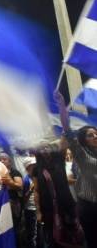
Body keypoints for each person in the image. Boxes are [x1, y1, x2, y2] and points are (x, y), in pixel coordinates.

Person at [55, 91, 97, 248]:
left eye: (96, 134)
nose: (95, 137)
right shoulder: (81, 154)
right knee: (93, 240)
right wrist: (61, 105)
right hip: (89, 207)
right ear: (83, 140)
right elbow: (67, 130)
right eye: (90, 135)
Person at [0, 152, 23, 245]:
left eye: (4, 159)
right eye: (0, 159)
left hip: (13, 203)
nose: (2, 161)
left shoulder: (14, 172)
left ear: (10, 161)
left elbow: (20, 186)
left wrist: (9, 182)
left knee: (14, 228)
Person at [22, 156, 37, 248]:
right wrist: (30, 190)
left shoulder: (37, 177)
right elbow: (23, 199)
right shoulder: (26, 180)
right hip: (30, 209)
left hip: (38, 208)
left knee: (39, 232)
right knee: (32, 234)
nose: (35, 166)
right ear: (28, 167)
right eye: (33, 165)